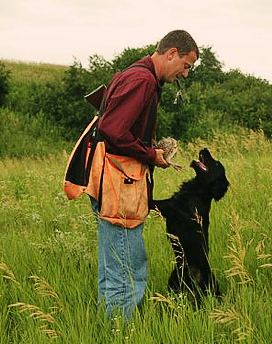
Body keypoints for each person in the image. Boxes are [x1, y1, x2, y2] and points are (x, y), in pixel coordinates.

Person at [90, 30, 199, 321]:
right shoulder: (142, 80)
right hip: (120, 186)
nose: (185, 74)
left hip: (115, 182)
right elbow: (113, 130)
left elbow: (117, 127)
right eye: (186, 66)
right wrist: (152, 155)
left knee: (114, 269)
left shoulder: (135, 75)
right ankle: (120, 333)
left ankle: (109, 331)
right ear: (171, 53)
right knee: (127, 271)